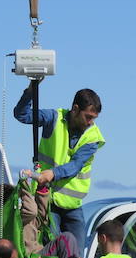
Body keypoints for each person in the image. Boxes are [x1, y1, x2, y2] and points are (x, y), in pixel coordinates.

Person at [13, 84, 105, 243]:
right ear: (75, 109)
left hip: (73, 206)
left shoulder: (93, 136)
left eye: (93, 118)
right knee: (54, 251)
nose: (90, 122)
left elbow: (76, 165)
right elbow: (23, 115)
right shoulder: (54, 118)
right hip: (47, 201)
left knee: (77, 257)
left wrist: (52, 174)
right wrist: (30, 92)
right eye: (88, 116)